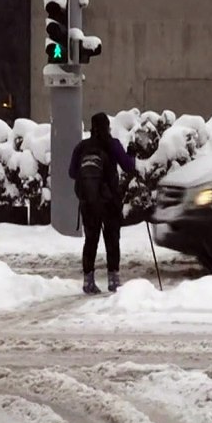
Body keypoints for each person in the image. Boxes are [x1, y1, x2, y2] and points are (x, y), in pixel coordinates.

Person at [68, 113, 138, 294]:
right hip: (110, 200)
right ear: (107, 127)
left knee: (91, 240)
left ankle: (88, 281)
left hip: (88, 201)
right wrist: (132, 153)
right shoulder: (112, 144)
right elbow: (129, 167)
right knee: (112, 239)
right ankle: (113, 279)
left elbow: (72, 173)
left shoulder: (81, 147)